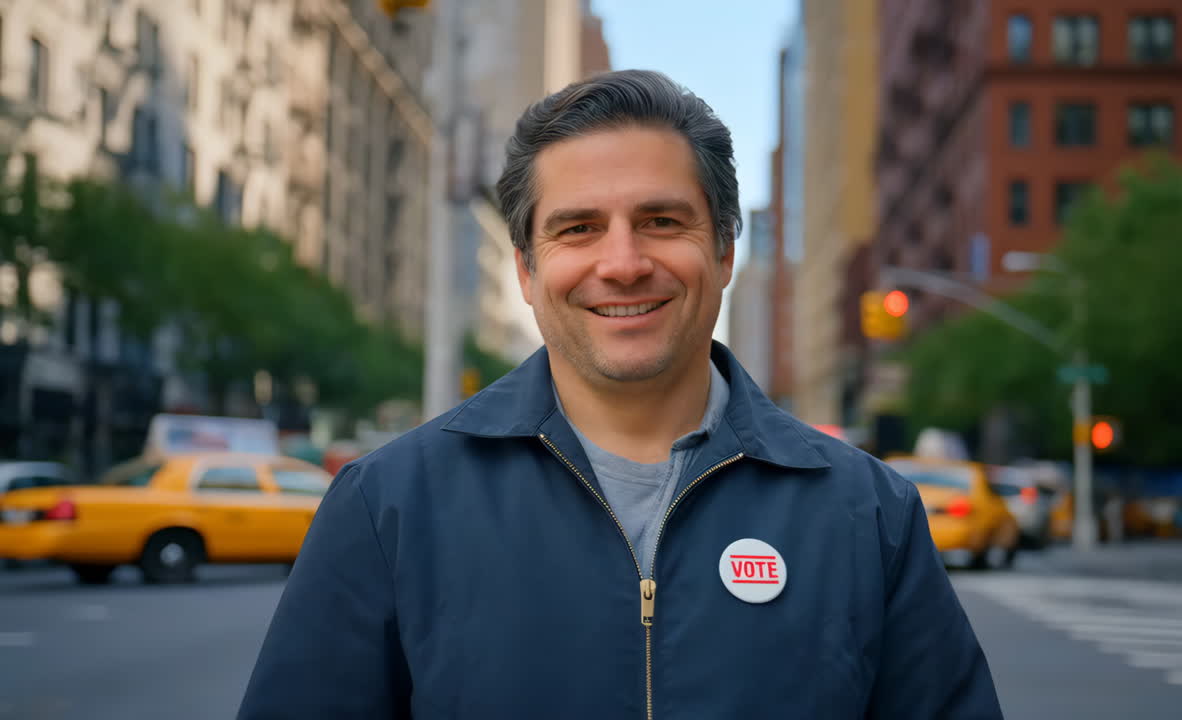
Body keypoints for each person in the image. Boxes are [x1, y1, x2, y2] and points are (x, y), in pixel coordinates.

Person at [238, 69, 1003, 719]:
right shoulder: (387, 509)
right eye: (578, 229)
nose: (625, 262)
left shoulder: (870, 517)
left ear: (726, 251)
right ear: (528, 272)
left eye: (661, 221)